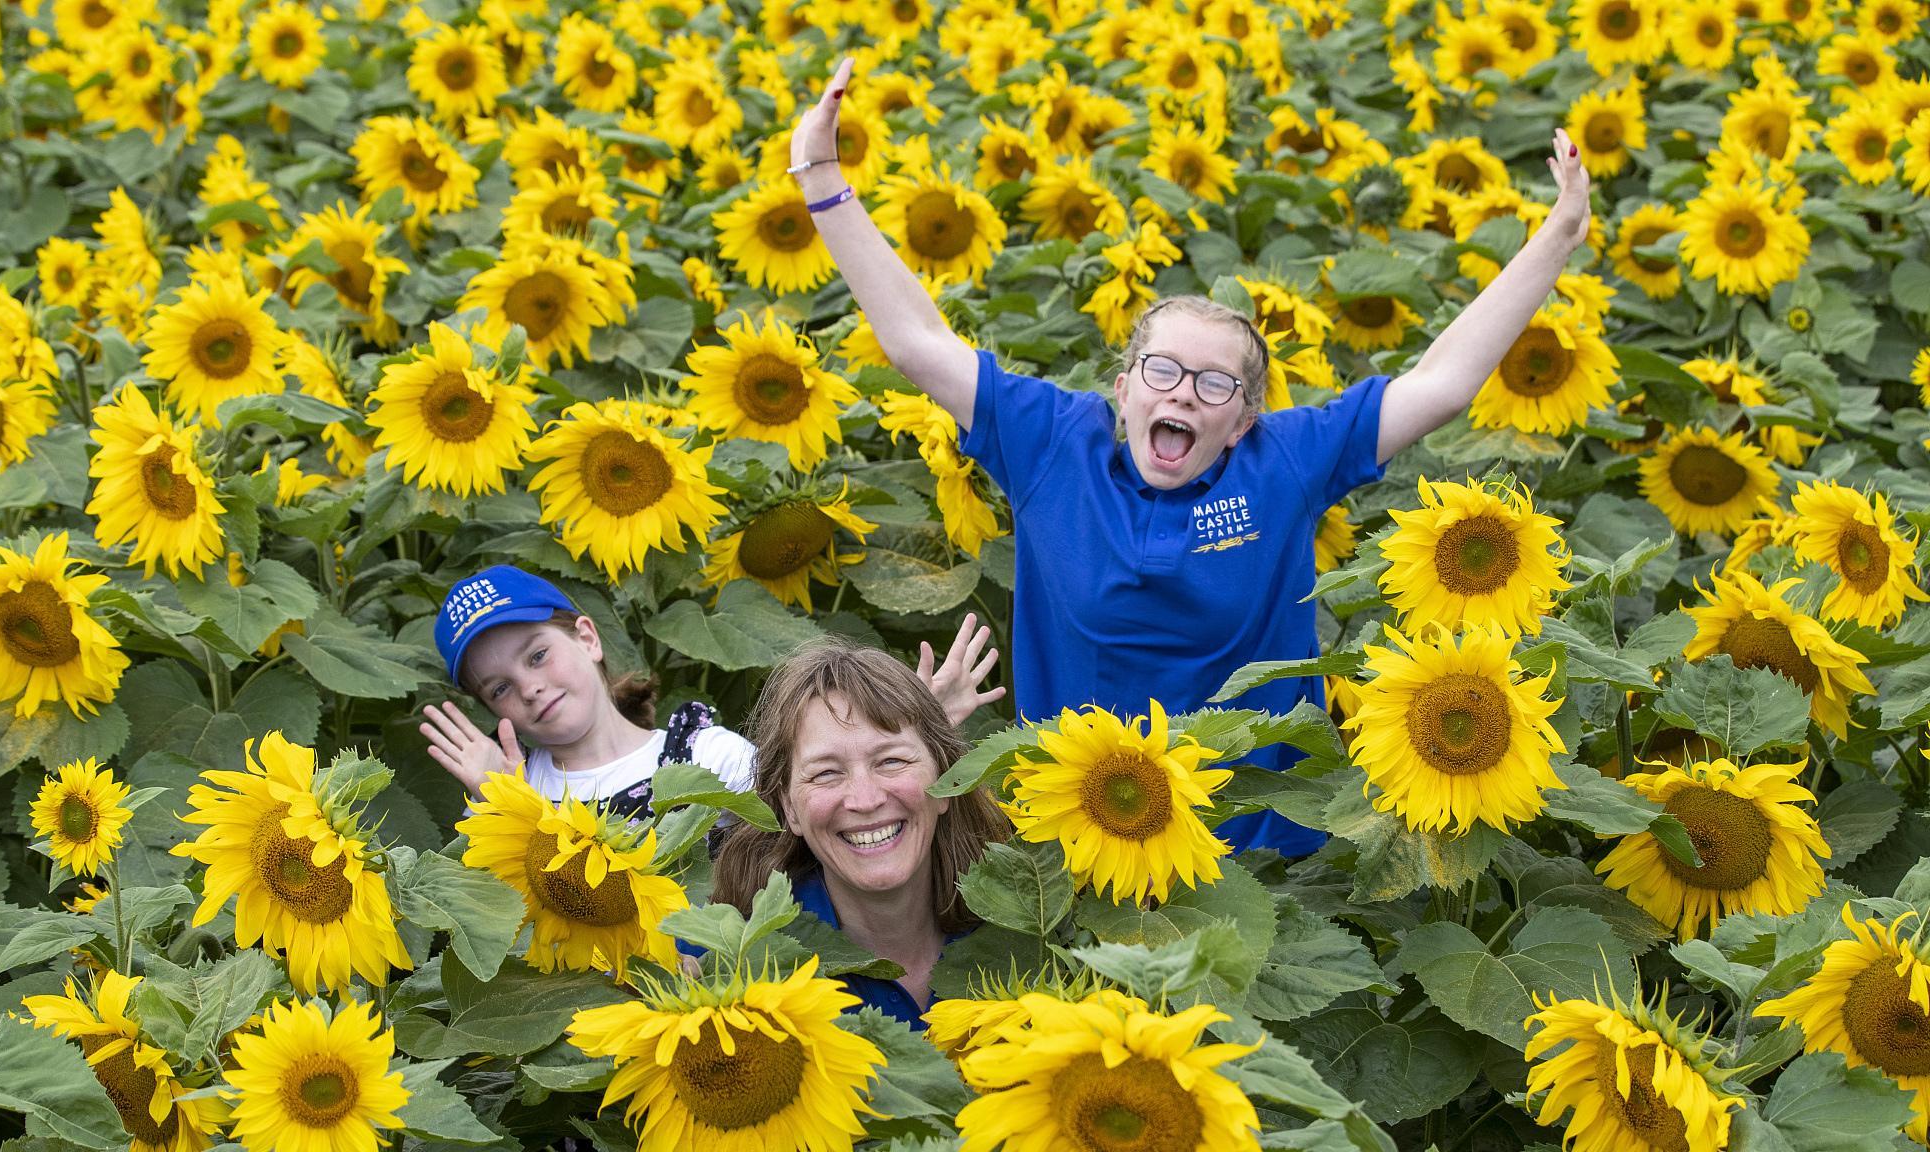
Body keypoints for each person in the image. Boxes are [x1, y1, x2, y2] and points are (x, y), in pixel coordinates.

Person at [786, 58, 1594, 854]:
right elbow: (917, 341)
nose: (1181, 396)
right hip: (1079, 836)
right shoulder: (1053, 445)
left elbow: (1443, 383)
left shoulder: (1282, 464)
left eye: (1215, 386)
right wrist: (820, 174)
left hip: (1260, 849)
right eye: (1162, 372)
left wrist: (1557, 236)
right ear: (1124, 388)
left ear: (1245, 421)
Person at [421, 564, 1005, 815]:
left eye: (538, 655)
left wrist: (917, 732)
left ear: (588, 637)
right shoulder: (519, 789)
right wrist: (499, 806)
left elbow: (814, 809)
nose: (529, 688)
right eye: (499, 688)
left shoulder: (700, 753)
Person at [713, 637, 1010, 1027]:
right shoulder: (732, 965)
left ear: (947, 782)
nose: (865, 799)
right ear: (789, 808)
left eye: (891, 761)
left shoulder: (1029, 928)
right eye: (826, 773)